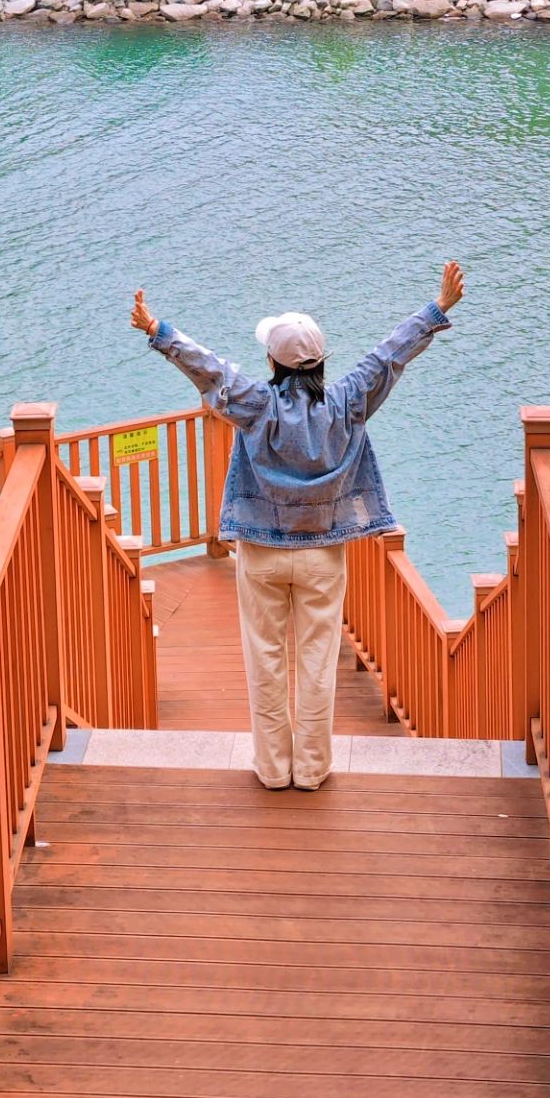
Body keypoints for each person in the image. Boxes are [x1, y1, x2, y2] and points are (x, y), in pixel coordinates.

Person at [131, 264, 464, 792]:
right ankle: (310, 770)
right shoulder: (348, 401)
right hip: (323, 555)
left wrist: (159, 332)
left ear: (273, 362)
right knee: (317, 659)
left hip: (261, 552)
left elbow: (210, 370)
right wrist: (437, 309)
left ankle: (271, 769)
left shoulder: (256, 404)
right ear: (320, 362)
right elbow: (389, 355)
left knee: (266, 660)